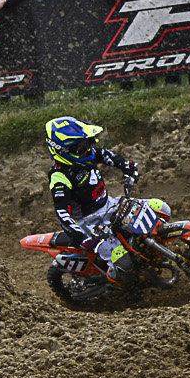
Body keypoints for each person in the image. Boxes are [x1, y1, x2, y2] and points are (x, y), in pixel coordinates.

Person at [45, 116, 147, 284]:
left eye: (86, 143)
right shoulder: (59, 176)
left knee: (161, 209)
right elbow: (62, 212)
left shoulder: (87, 154)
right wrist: (81, 237)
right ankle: (113, 289)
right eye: (80, 147)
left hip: (110, 205)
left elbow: (106, 155)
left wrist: (126, 166)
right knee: (123, 265)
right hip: (89, 224)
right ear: (63, 150)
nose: (86, 149)